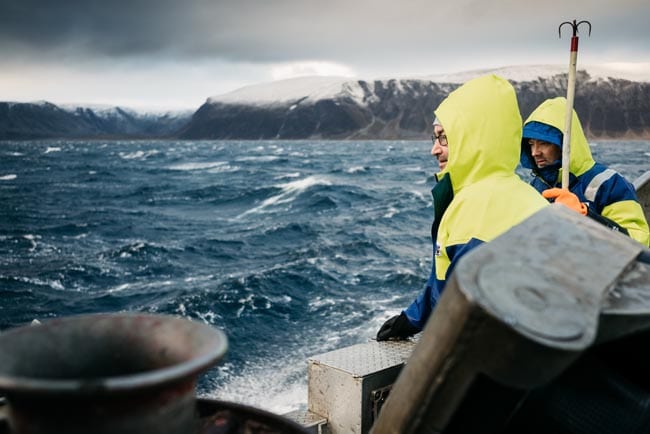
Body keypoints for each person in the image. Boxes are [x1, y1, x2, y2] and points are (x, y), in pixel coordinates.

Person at [376, 74, 549, 341]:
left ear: (474, 137)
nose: (435, 150)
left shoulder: (473, 210)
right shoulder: (530, 198)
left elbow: (460, 311)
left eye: (444, 138)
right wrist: (412, 317)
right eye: (435, 138)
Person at [521, 97, 650, 246]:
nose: (535, 152)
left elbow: (640, 242)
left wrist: (586, 216)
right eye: (531, 144)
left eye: (544, 143)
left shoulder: (609, 183)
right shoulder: (535, 186)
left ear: (564, 143)